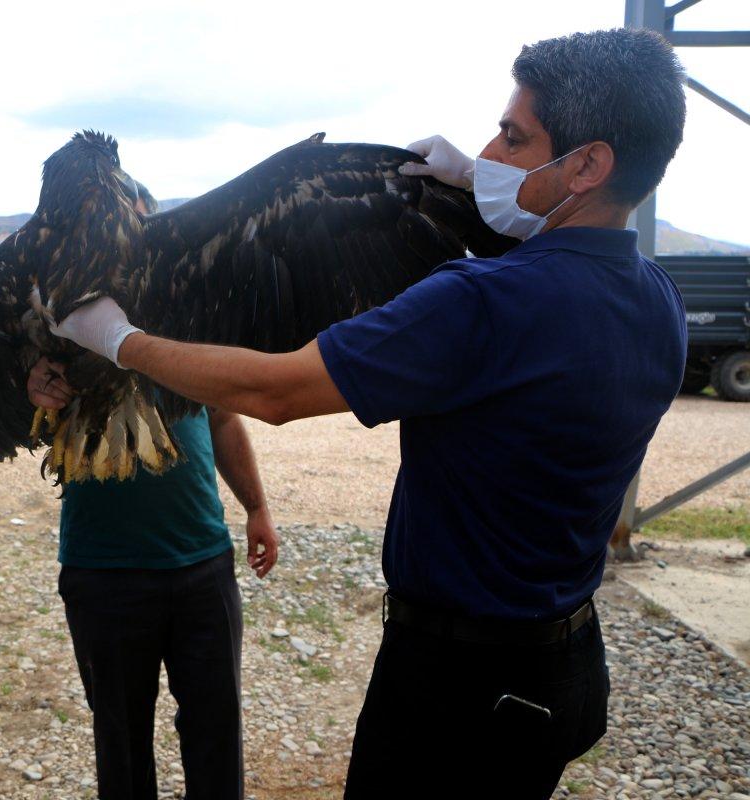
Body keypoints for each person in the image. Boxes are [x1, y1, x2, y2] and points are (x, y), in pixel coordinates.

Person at [45, 28, 687, 799]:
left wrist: (121, 340)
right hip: (565, 667)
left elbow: (275, 393)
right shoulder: (659, 301)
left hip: (457, 684)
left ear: (588, 164)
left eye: (514, 138)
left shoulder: (484, 301)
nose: (487, 149)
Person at [28, 184, 278, 800]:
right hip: (102, 572)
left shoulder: (185, 320)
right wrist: (26, 378)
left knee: (217, 737)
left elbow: (224, 419)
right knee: (122, 746)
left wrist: (258, 508)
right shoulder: (50, 323)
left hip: (201, 564)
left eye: (138, 230)